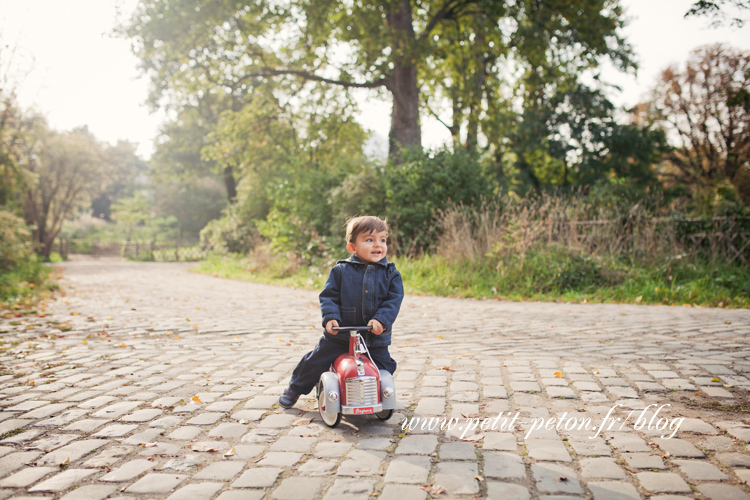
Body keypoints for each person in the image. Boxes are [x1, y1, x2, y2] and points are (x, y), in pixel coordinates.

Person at [279, 215, 404, 408]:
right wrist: (330, 318)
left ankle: (373, 394)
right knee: (316, 360)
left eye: (383, 239)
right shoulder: (340, 271)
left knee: (385, 366)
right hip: (341, 335)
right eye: (369, 240)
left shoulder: (391, 274)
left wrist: (381, 320)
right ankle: (295, 388)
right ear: (352, 247)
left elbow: (393, 301)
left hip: (374, 338)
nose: (378, 245)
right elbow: (329, 296)